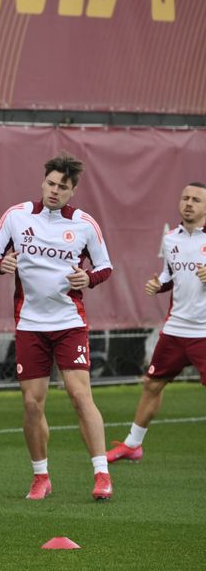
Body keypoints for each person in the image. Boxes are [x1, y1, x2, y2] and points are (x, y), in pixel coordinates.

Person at [0, 152, 114, 500]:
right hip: (29, 324)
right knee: (31, 404)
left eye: (63, 187)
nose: (55, 191)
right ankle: (41, 476)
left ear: (73, 191)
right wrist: (2, 263)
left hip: (70, 323)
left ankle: (101, 473)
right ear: (43, 182)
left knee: (79, 394)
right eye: (51, 183)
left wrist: (87, 277)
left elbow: (104, 268)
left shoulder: (85, 224)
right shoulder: (16, 216)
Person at [108, 182, 206, 462]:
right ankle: (132, 445)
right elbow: (169, 274)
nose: (188, 203)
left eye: (196, 200)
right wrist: (158, 284)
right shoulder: (171, 238)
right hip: (176, 328)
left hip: (204, 331)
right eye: (185, 198)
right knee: (152, 384)